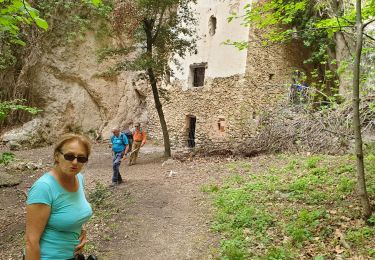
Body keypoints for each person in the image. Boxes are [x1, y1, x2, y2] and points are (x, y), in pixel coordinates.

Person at [25, 133, 93, 260]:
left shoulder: (78, 178)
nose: (75, 162)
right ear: (57, 156)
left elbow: (71, 210)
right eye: (69, 156)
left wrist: (81, 231)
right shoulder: (44, 188)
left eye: (81, 158)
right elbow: (31, 242)